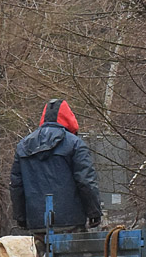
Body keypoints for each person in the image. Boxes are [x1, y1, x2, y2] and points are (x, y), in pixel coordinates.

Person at [10, 99, 103, 235]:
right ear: (69, 119)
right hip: (71, 222)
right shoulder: (75, 144)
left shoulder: (23, 146)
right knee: (70, 256)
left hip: (37, 222)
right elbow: (85, 181)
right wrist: (94, 212)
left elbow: (16, 185)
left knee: (44, 255)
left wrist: (21, 217)